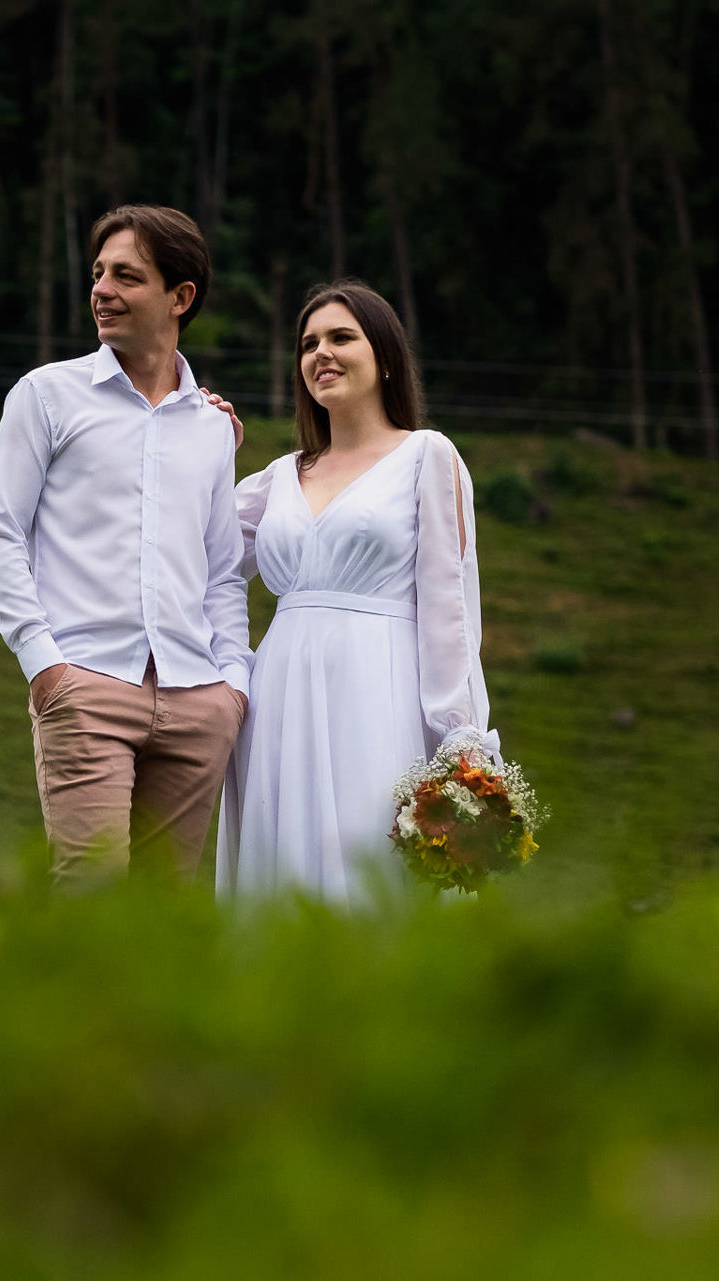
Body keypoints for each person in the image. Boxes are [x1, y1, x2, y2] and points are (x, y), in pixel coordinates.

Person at [0, 205, 251, 887]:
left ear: (180, 297)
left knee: (162, 922)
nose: (101, 289)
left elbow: (222, 572)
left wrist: (233, 688)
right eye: (98, 273)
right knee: (90, 904)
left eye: (126, 276)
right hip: (85, 688)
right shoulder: (45, 396)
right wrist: (46, 667)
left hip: (197, 700)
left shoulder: (212, 427)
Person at [217, 279, 493, 903]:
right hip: (280, 696)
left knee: (371, 873)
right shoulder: (278, 478)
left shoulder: (426, 455)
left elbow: (451, 607)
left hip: (379, 691)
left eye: (342, 337)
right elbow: (201, 560)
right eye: (308, 343)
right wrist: (200, 442)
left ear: (386, 358)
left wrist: (461, 739)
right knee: (279, 883)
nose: (321, 353)